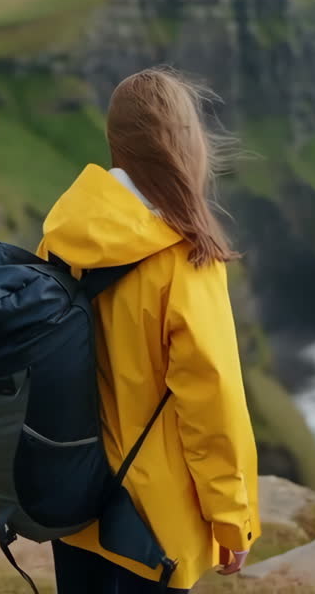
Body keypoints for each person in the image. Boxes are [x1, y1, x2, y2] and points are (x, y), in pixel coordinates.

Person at [36, 67, 260, 593]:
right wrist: (232, 518)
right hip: (150, 523)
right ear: (187, 144)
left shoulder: (65, 231)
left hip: (76, 498)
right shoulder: (185, 259)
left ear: (117, 142)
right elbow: (212, 402)